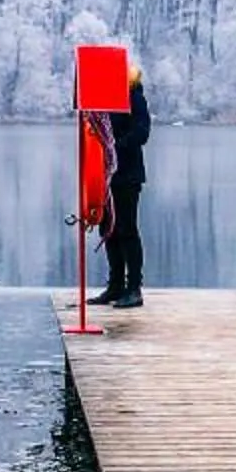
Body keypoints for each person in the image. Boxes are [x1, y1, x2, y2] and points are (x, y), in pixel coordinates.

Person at [92, 66, 150, 307]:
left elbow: (142, 132)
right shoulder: (104, 103)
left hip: (127, 175)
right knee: (108, 228)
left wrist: (115, 147)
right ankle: (115, 286)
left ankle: (134, 287)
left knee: (126, 228)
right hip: (105, 176)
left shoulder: (135, 98)